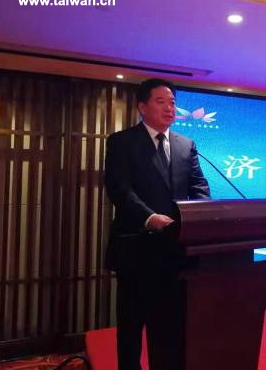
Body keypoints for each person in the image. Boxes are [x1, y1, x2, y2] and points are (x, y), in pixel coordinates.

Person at [104, 78, 210, 370]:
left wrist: (200, 215)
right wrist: (150, 218)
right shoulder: (122, 142)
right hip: (136, 249)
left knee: (170, 326)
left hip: (176, 252)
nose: (169, 108)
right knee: (131, 325)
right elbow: (119, 189)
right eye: (161, 102)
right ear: (142, 107)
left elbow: (199, 186)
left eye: (172, 103)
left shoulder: (186, 145)